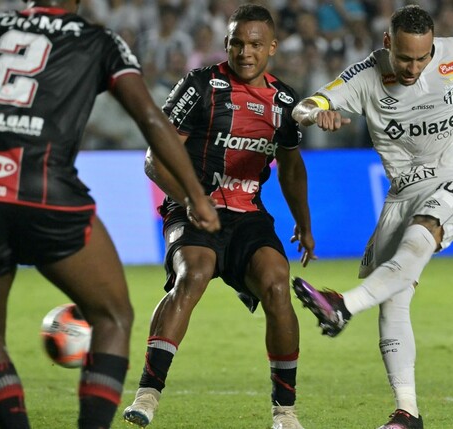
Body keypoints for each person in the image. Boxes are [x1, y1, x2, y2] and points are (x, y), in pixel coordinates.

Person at [0, 1, 220, 428]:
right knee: (113, 316)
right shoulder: (98, 40)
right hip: (45, 194)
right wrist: (195, 195)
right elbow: (150, 118)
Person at [291, 5, 453, 429]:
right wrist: (316, 114)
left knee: (420, 236)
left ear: (433, 46)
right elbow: (303, 107)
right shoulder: (365, 77)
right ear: (387, 44)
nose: (414, 68)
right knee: (394, 297)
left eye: (422, 58)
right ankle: (407, 412)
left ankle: (343, 305)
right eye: (404, 58)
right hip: (404, 191)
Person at [122, 4, 315, 429]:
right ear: (226, 44)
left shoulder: (285, 101)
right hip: (192, 205)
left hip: (247, 216)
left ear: (272, 48)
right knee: (194, 272)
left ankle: (285, 412)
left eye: (255, 45)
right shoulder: (200, 86)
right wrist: (192, 200)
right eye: (237, 44)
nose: (246, 53)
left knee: (277, 283)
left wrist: (303, 222)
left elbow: (292, 167)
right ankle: (148, 394)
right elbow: (155, 159)